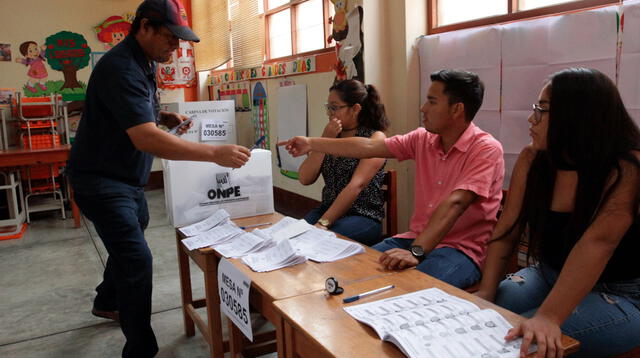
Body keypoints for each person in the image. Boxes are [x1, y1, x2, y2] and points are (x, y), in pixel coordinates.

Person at [67, 0, 250, 356]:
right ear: (145, 27)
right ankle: (140, 350)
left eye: (180, 40)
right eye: (170, 37)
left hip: (125, 178)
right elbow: (145, 138)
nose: (176, 47)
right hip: (101, 180)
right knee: (137, 258)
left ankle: (107, 299)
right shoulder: (121, 68)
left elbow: (135, 114)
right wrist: (215, 153)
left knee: (135, 227)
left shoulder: (144, 61)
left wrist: (161, 115)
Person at [280, 69, 504, 288]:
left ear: (456, 109)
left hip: (459, 250)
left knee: (409, 289)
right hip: (414, 239)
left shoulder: (486, 149)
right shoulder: (422, 139)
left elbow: (456, 203)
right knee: (351, 271)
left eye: (432, 102)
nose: (423, 108)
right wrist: (312, 142)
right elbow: (369, 146)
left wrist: (416, 251)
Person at [474, 68, 640, 358]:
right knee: (499, 308)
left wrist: (549, 316)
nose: (531, 119)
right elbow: (507, 230)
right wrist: (486, 293)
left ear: (578, 118)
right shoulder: (533, 157)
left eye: (542, 110)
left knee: (526, 338)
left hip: (622, 293)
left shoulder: (627, 167)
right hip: (550, 274)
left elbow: (597, 244)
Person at [299, 79, 389, 246]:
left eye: (334, 107)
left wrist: (323, 223)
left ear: (355, 109)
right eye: (328, 107)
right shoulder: (332, 136)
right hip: (327, 209)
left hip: (362, 216)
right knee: (294, 236)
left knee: (318, 243)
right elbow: (305, 178)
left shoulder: (375, 138)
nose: (329, 113)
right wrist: (324, 139)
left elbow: (356, 186)